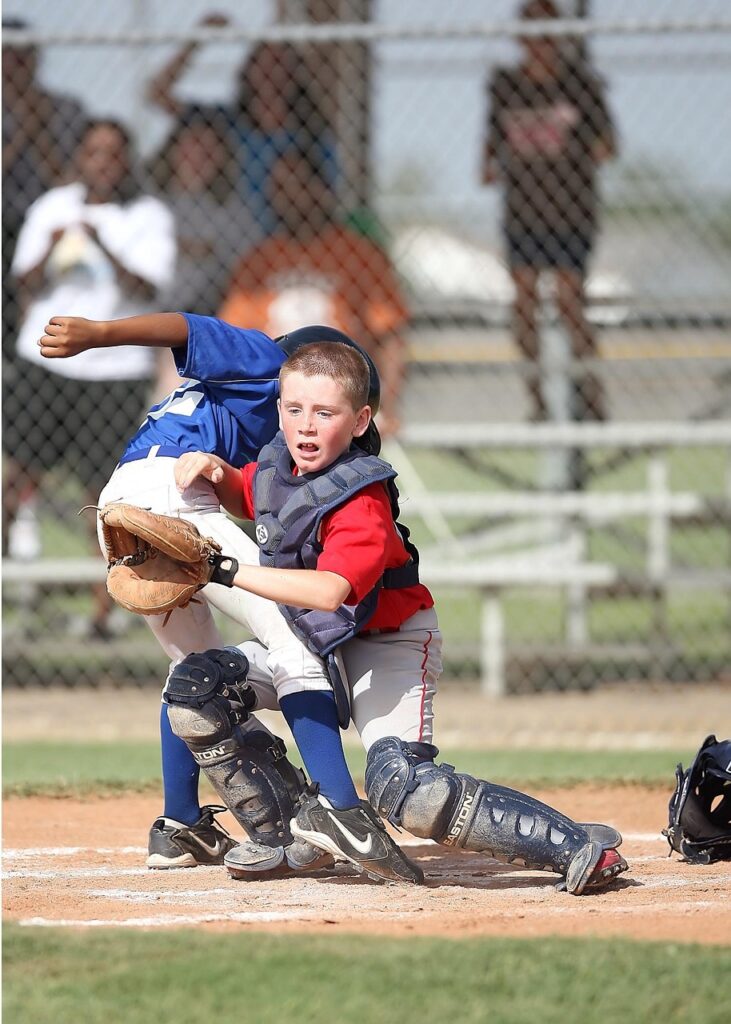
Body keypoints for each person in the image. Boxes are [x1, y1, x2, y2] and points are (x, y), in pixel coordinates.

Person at [169, 340, 629, 894]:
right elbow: (255, 497)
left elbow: (329, 592)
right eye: (294, 409)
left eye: (325, 413)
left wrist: (223, 571)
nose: (306, 426)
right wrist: (216, 472)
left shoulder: (360, 498)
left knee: (405, 788)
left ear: (361, 420)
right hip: (314, 642)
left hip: (387, 644)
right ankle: (296, 835)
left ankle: (574, 846)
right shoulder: (277, 465)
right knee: (197, 692)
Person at [38, 313, 414, 882]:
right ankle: (340, 809)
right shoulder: (268, 360)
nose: (307, 417)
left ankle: (180, 825)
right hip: (175, 494)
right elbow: (184, 328)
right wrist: (98, 335)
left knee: (194, 672)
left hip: (121, 500)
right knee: (295, 641)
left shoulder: (242, 408)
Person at [4, 119, 177, 636]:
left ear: (127, 161)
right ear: (78, 157)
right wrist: (52, 247)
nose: (103, 162)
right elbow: (21, 281)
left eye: (113, 153)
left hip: (114, 370)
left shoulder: (147, 216)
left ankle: (104, 612)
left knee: (100, 494)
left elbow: (150, 289)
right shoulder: (53, 206)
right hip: (47, 361)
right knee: (16, 477)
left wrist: (102, 243)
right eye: (93, 152)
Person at [482, 0, 617, 421]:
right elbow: (490, 150)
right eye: (532, 32)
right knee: (524, 300)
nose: (539, 43)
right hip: (524, 212)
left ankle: (590, 391)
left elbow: (606, 146)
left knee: (568, 299)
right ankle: (538, 398)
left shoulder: (580, 85)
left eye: (546, 32)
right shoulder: (507, 87)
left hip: (570, 211)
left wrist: (570, 149)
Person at [218, 144, 409, 438]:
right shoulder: (258, 259)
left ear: (322, 190)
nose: (289, 196)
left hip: (341, 387)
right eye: (279, 187)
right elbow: (233, 342)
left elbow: (390, 335)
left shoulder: (358, 253)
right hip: (274, 390)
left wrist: (388, 407)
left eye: (299, 184)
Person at [147, 13, 336, 235]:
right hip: (233, 233)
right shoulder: (227, 122)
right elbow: (157, 94)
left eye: (280, 65)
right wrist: (196, 42)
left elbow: (328, 191)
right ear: (248, 71)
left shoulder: (310, 134)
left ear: (295, 74)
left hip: (291, 236)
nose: (271, 73)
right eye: (263, 64)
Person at [147, 103, 259, 316]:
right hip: (149, 308)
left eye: (211, 148)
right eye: (194, 142)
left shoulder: (233, 208)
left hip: (207, 311)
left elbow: (248, 263)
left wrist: (209, 251)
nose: (200, 154)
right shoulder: (150, 198)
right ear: (173, 148)